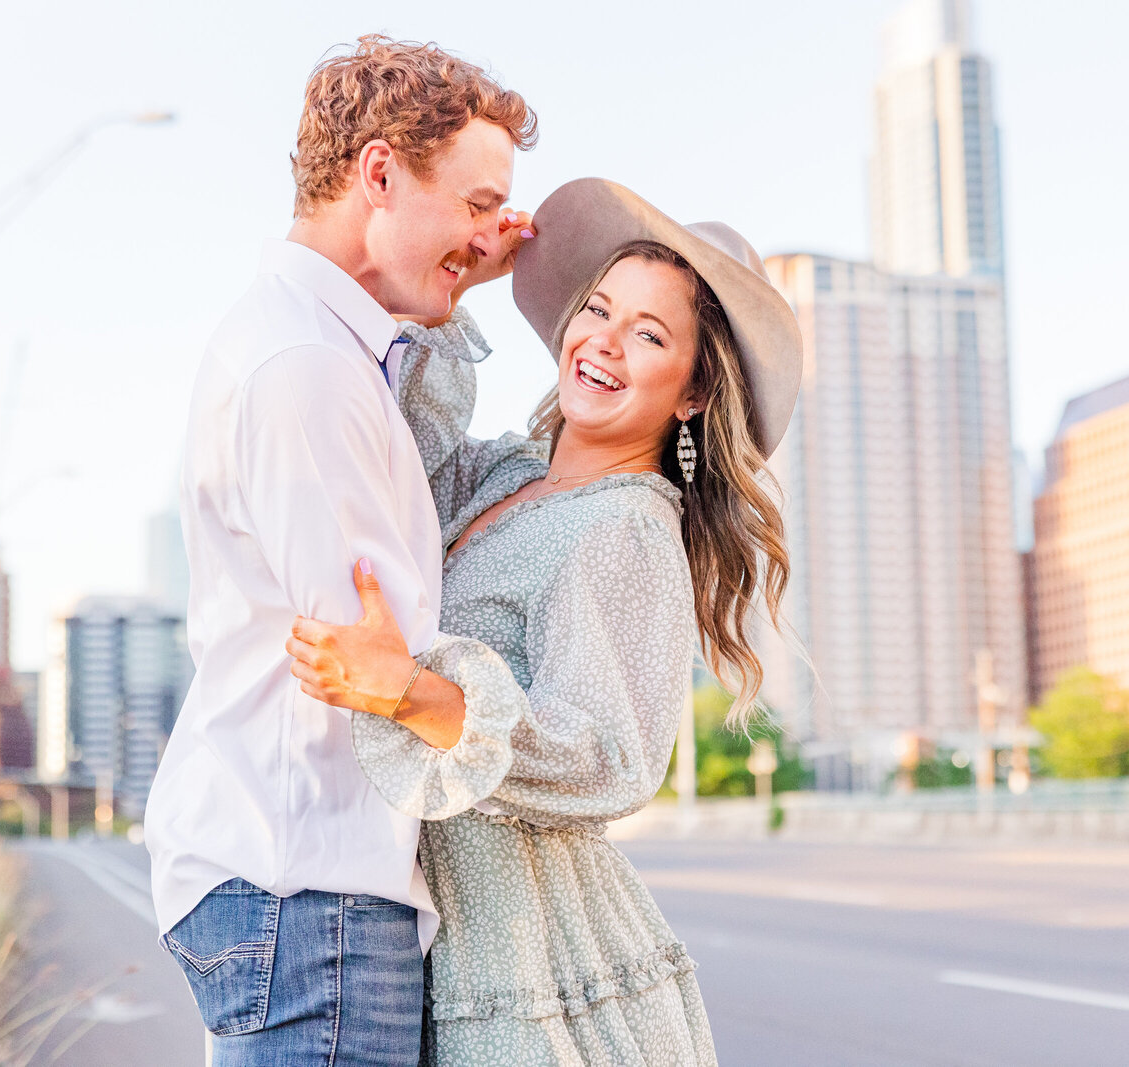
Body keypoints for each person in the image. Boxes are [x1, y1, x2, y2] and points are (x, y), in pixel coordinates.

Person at [285, 177, 803, 1065]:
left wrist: (414, 696)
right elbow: (389, 449)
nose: (604, 341)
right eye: (597, 308)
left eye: (649, 334)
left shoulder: (627, 527)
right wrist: (460, 278)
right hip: (432, 925)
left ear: (691, 394)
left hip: (533, 956)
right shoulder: (509, 477)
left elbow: (609, 755)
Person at [143, 36, 541, 1065]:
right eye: (475, 201)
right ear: (377, 172)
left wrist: (459, 269)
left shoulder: (321, 346)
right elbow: (388, 673)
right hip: (310, 884)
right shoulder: (307, 367)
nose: (491, 233)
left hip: (293, 881)